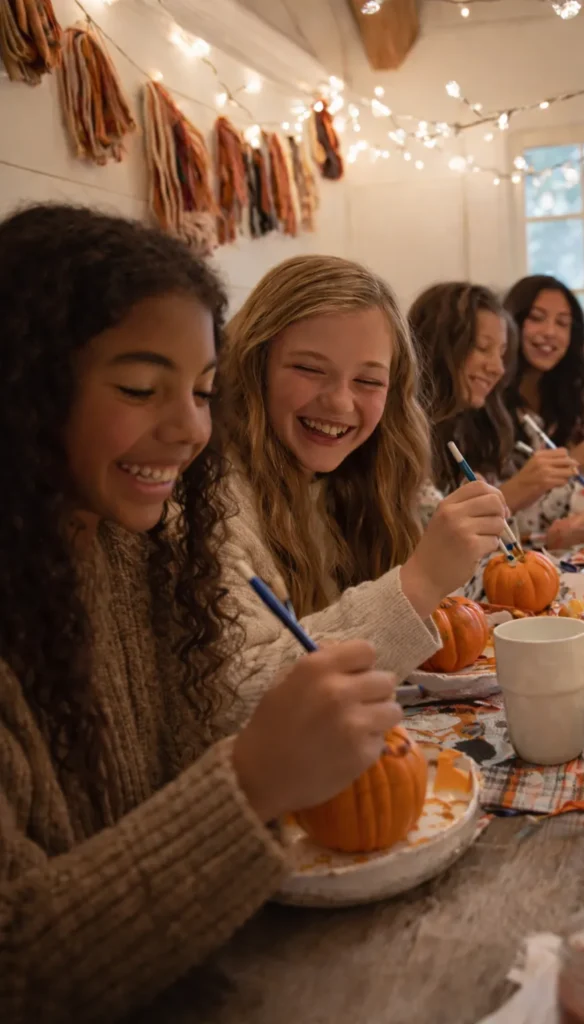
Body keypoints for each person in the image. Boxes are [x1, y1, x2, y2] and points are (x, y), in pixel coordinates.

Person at [0, 204, 405, 1024]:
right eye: (141, 388)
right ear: (25, 384)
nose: (189, 427)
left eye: (201, 391)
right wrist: (251, 779)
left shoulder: (137, 547)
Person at [218, 256, 508, 685]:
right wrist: (419, 582)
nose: (339, 402)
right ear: (253, 366)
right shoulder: (215, 504)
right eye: (309, 369)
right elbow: (238, 695)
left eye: (368, 381)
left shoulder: (367, 476)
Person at [409, 281, 584, 552]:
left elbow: (508, 542)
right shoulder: (408, 441)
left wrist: (550, 537)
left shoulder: (473, 424)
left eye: (502, 353)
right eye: (482, 348)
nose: (497, 368)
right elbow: (434, 547)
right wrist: (516, 492)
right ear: (438, 347)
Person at [504, 275, 584, 475]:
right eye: (536, 318)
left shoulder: (566, 396)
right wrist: (571, 460)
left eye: (562, 323)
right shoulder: (490, 400)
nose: (550, 332)